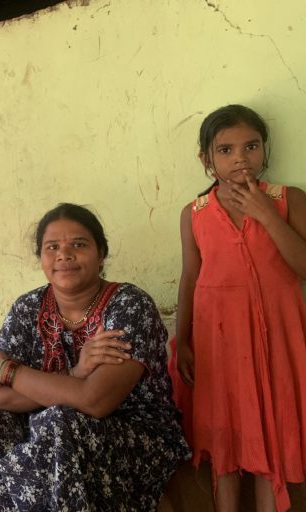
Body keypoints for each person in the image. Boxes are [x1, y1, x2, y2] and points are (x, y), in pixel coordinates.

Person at [0, 203, 190, 511]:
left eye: (79, 244)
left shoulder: (129, 306)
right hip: (51, 430)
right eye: (52, 247)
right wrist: (75, 375)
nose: (64, 254)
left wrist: (9, 371)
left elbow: (95, 400)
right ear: (41, 258)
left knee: (59, 421)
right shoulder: (27, 309)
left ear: (101, 253)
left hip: (137, 436)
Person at [170, 104, 306, 512]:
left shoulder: (287, 199)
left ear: (264, 151)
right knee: (223, 438)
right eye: (225, 150)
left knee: (273, 434)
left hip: (278, 341)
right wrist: (186, 340)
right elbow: (191, 278)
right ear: (206, 161)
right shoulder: (193, 215)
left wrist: (265, 215)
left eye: (251, 146)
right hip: (219, 345)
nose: (240, 158)